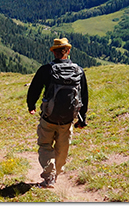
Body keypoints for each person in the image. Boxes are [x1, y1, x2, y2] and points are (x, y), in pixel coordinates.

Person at [26, 38, 88, 189]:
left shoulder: (46, 69)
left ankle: (49, 177)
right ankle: (56, 173)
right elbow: (84, 96)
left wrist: (31, 105)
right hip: (68, 119)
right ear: (67, 51)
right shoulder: (78, 71)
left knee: (45, 145)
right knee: (63, 148)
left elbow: (34, 89)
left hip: (48, 117)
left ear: (53, 52)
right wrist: (82, 118)